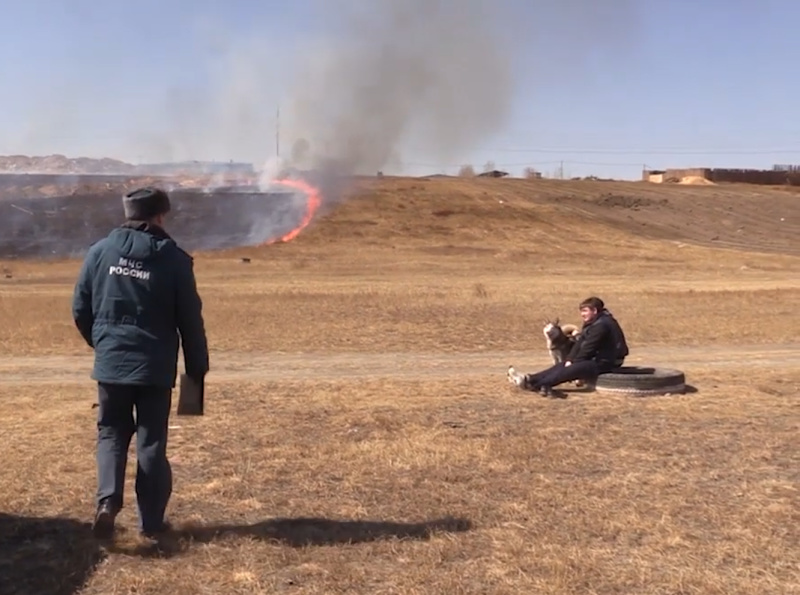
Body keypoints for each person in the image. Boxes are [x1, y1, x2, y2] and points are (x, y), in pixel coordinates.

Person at [71, 187, 209, 539]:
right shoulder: (175, 260)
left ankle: (107, 504)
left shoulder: (99, 253)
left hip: (111, 363)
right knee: (151, 442)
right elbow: (190, 321)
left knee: (111, 433)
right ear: (160, 216)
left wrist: (101, 344)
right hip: (155, 367)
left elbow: (80, 308)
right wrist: (196, 372)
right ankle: (150, 523)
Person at [508, 296, 628, 398]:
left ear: (595, 311)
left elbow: (589, 347)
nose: (582, 314)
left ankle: (537, 384)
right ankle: (529, 379)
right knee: (563, 365)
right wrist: (570, 359)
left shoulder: (602, 325)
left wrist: (575, 362)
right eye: (581, 311)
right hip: (597, 358)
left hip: (609, 361)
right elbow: (580, 343)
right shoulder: (594, 322)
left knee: (571, 369)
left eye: (585, 311)